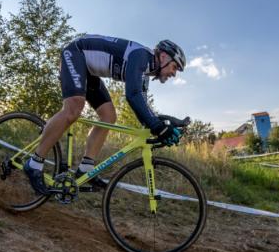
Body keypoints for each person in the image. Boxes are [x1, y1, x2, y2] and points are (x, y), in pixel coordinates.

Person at [24, 35, 186, 195]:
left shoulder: (146, 71)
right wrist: (157, 126)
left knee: (109, 116)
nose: (174, 73)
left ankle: (85, 170)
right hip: (75, 53)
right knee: (73, 109)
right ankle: (34, 163)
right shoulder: (142, 56)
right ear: (163, 56)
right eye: (175, 67)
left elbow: (142, 108)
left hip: (88, 70)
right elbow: (133, 94)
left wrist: (163, 124)